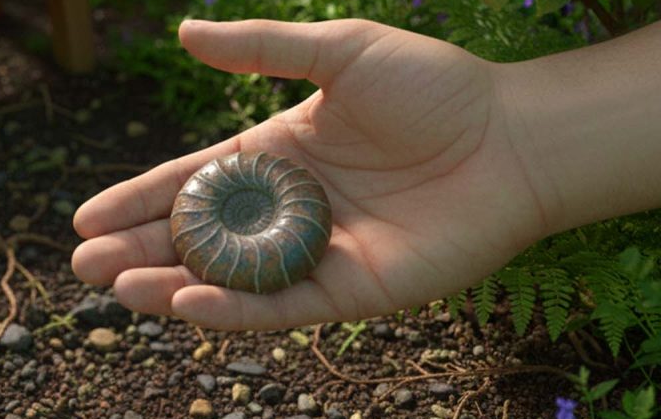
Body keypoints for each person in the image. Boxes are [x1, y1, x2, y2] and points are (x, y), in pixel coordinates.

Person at [71, 18, 661, 331]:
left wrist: (505, 133)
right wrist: (511, 134)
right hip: (245, 210)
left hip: (267, 208)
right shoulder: (244, 199)